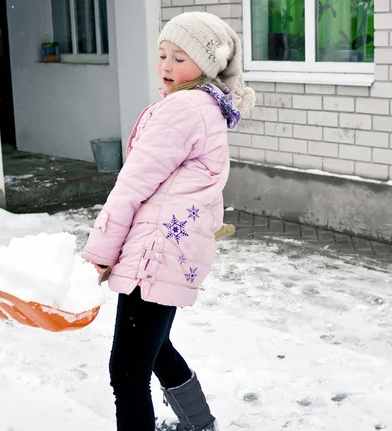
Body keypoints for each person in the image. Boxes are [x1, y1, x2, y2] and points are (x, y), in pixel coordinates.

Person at [81, 11, 255, 431]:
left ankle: (197, 424)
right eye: (162, 55)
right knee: (153, 349)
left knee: (127, 371)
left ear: (207, 65)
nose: (166, 66)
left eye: (180, 57)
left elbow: (131, 187)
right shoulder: (207, 106)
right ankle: (199, 423)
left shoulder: (183, 109)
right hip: (169, 250)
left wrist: (100, 253)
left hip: (154, 255)